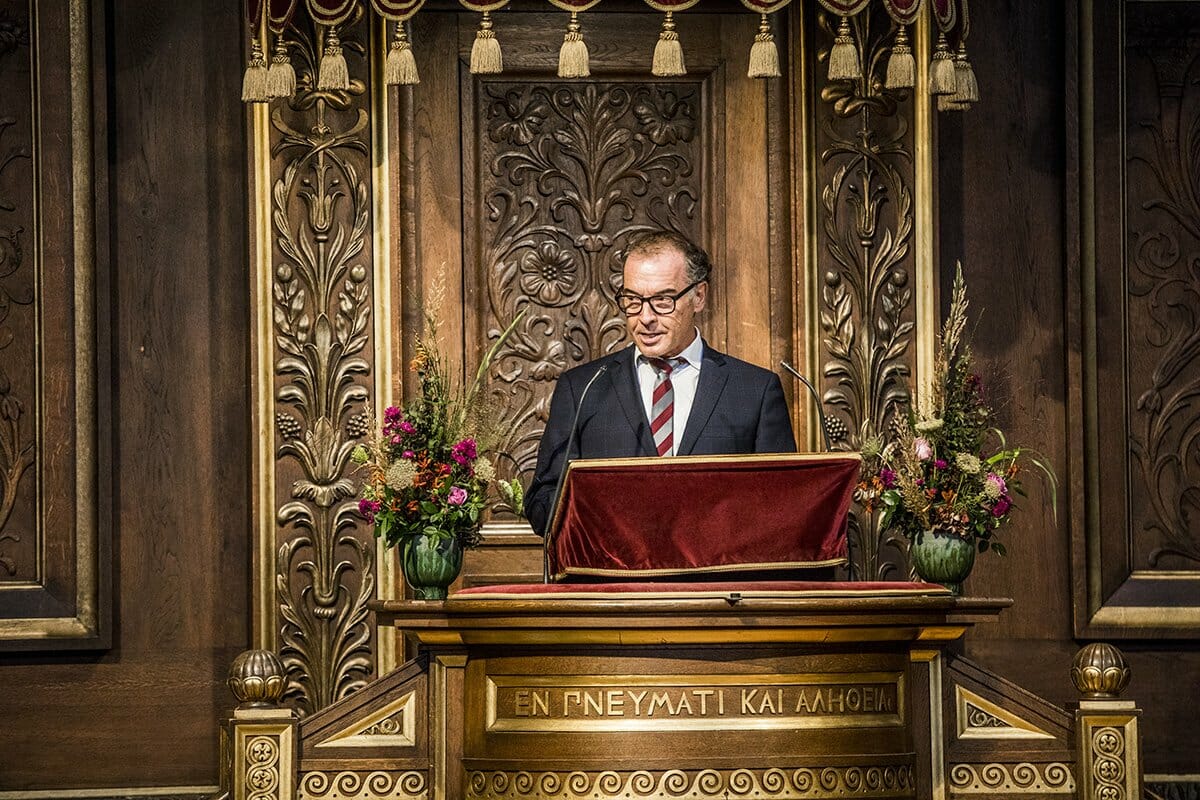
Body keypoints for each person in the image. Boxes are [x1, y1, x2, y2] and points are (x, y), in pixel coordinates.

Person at [525, 230, 796, 536]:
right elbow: (542, 503)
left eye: (662, 301)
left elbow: (782, 505)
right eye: (632, 301)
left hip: (714, 580)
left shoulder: (754, 391)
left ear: (698, 296)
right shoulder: (583, 389)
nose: (645, 317)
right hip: (614, 576)